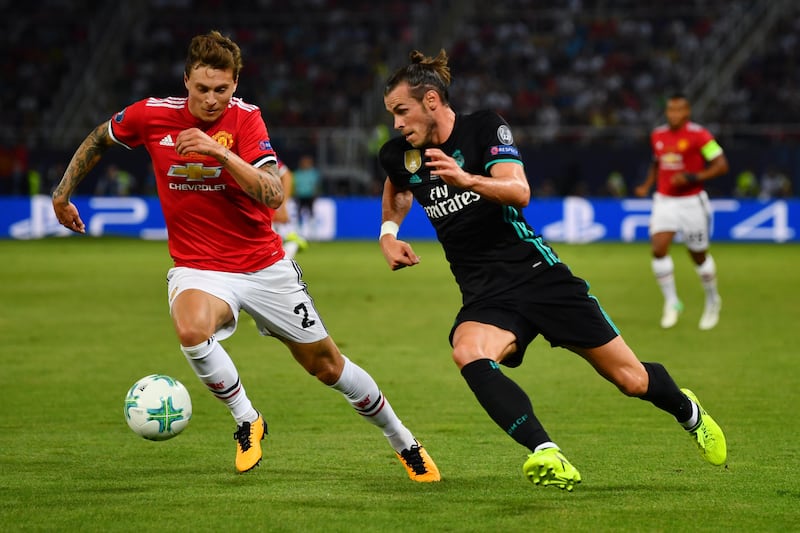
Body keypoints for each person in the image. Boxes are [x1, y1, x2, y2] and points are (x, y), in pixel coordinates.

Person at [51, 31, 439, 482]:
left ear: (236, 84)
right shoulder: (152, 116)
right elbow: (101, 137)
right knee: (192, 329)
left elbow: (273, 194)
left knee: (327, 366)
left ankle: (403, 441)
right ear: (186, 81)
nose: (212, 100)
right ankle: (247, 419)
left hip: (263, 266)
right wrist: (62, 194)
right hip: (198, 266)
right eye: (202, 89)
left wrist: (218, 151)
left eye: (222, 89)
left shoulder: (247, 121)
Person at [378, 50, 726, 491]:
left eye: (401, 111)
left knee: (632, 380)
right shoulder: (401, 154)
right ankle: (545, 452)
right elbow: (398, 186)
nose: (396, 125)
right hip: (485, 293)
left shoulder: (484, 127)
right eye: (392, 115)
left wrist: (468, 180)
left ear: (431, 101)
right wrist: (388, 233)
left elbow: (519, 190)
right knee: (468, 352)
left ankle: (688, 410)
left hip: (539, 275)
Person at [635, 94, 729, 330]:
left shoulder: (700, 136)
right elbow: (657, 163)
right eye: (670, 110)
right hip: (665, 200)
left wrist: (693, 177)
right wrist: (647, 185)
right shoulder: (658, 135)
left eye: (678, 110)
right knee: (658, 249)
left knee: (698, 255)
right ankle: (672, 302)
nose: (673, 115)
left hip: (692, 203)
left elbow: (721, 165)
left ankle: (712, 299)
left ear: (687, 112)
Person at [273, 158, 308, 260]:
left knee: (270, 258)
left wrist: (282, 207)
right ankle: (292, 245)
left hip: (260, 211)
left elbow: (286, 175)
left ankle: (291, 245)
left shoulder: (255, 148)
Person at [291, 154, 321, 238]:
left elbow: (316, 185)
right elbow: (294, 185)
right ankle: (299, 233)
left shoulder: (313, 173)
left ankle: (313, 234)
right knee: (299, 215)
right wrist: (294, 194)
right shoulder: (297, 173)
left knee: (311, 215)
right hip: (300, 197)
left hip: (310, 197)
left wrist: (315, 195)